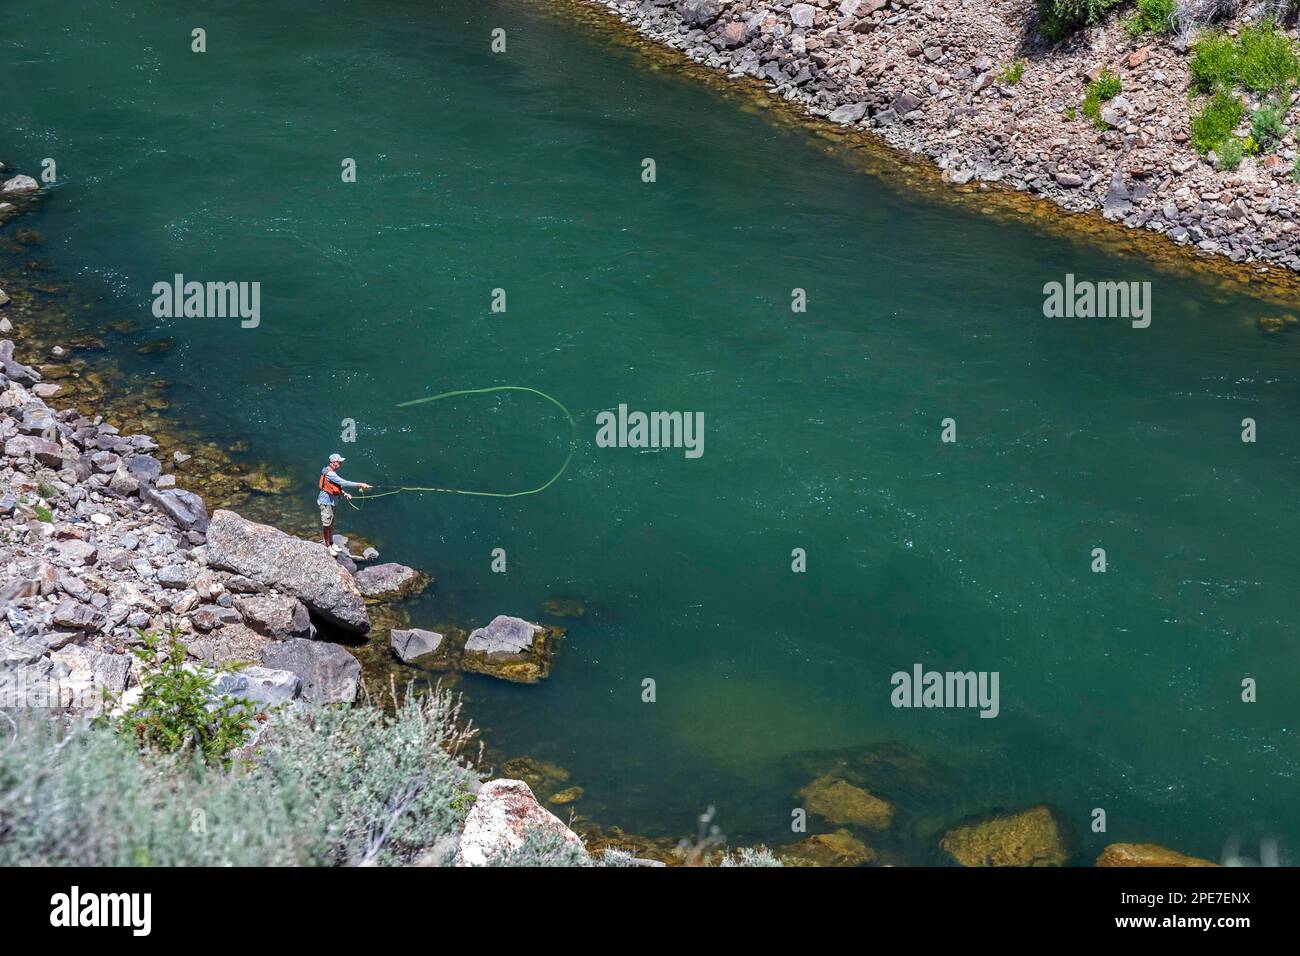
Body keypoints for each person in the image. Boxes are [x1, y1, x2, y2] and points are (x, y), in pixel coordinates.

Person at [317, 453, 371, 554]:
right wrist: (361, 484)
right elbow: (344, 482)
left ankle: (331, 542)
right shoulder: (330, 474)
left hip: (332, 502)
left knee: (331, 523)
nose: (341, 464)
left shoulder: (331, 471)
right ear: (333, 463)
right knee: (326, 524)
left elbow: (334, 485)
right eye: (340, 462)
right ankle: (327, 545)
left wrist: (344, 493)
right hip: (325, 502)